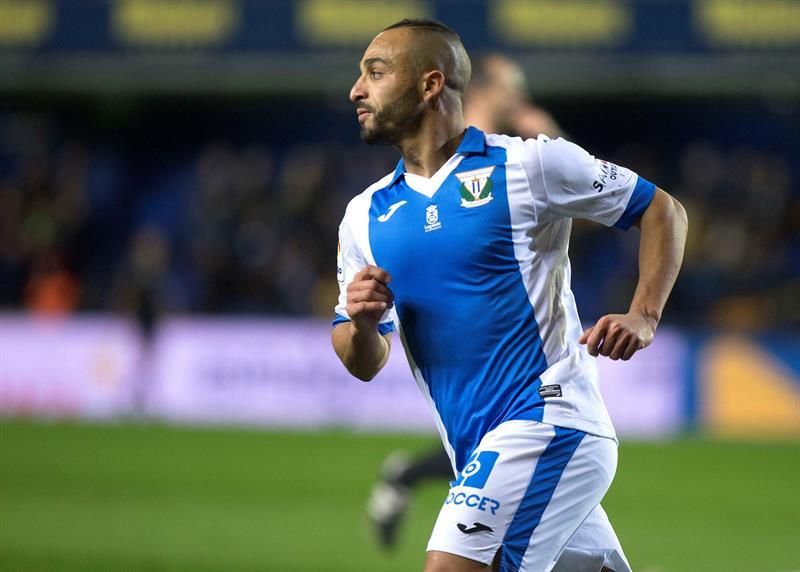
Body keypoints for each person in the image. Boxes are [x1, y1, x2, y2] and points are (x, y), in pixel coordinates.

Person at [331, 18, 687, 572]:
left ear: (429, 85)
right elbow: (364, 360)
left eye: (375, 73)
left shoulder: (530, 163)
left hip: (548, 418)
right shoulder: (364, 216)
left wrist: (644, 314)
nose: (357, 89)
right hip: (475, 449)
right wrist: (359, 322)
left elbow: (661, 209)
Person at [364, 52, 566, 551]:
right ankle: (408, 474)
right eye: (510, 89)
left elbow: (571, 180)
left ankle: (407, 475)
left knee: (508, 450)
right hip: (477, 312)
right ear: (483, 90)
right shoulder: (466, 145)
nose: (519, 99)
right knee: (491, 441)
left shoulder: (513, 148)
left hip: (521, 296)